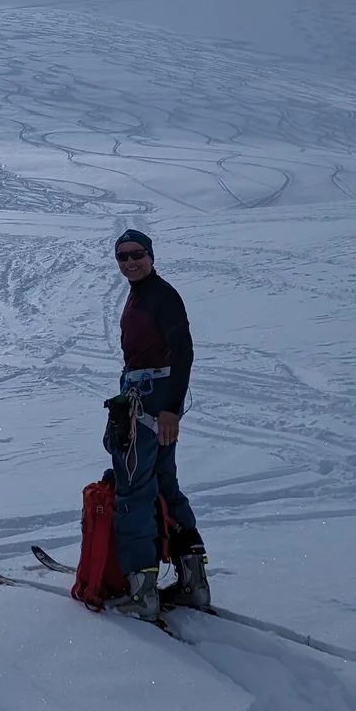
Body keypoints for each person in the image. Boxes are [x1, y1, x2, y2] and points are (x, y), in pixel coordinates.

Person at [105, 229, 210, 619]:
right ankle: (193, 583)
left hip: (150, 402)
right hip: (151, 397)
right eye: (122, 257)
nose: (130, 262)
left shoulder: (161, 296)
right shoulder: (142, 294)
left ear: (150, 255)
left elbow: (184, 350)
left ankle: (141, 592)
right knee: (164, 484)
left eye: (137, 254)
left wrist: (170, 408)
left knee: (133, 490)